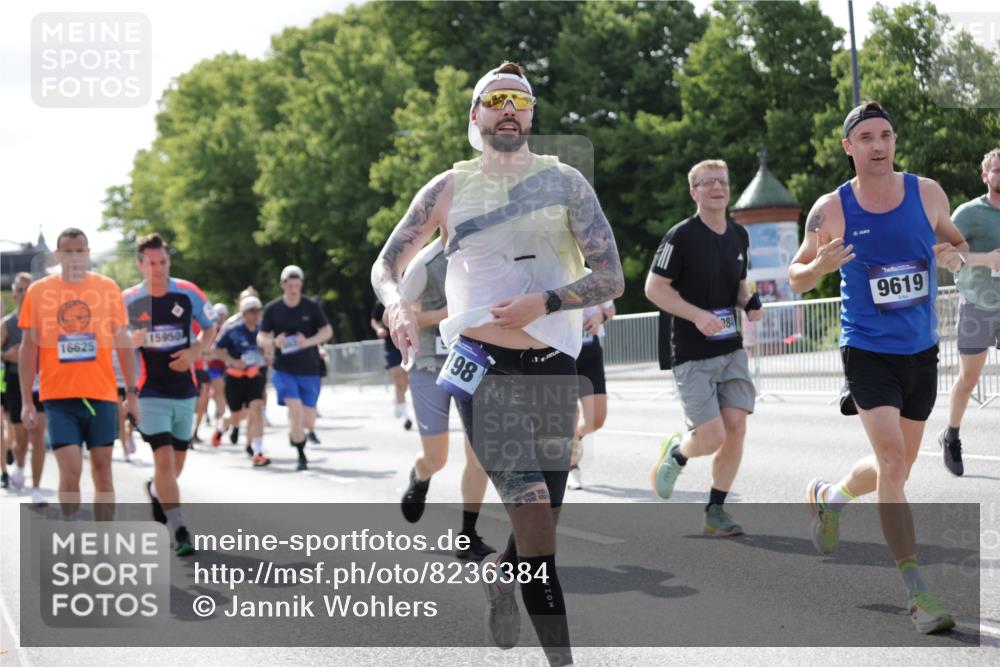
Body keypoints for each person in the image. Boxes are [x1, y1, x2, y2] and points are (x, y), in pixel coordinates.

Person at [372, 61, 624, 667]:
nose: (508, 108)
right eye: (495, 100)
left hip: (552, 367)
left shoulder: (566, 183)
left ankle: (504, 576)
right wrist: (397, 307)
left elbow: (612, 276)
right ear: (476, 116)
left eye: (519, 99)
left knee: (542, 527)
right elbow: (387, 264)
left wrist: (549, 300)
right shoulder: (446, 189)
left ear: (531, 115)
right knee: (537, 522)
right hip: (480, 369)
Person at [788, 102, 1000, 634]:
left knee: (898, 466)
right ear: (849, 147)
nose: (878, 145)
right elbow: (796, 278)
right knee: (889, 457)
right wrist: (818, 265)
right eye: (866, 137)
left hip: (920, 348)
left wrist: (954, 255)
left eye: (885, 135)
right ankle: (917, 593)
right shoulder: (830, 209)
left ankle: (830, 498)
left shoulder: (927, 193)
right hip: (866, 348)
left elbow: (954, 241)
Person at [646, 159, 763, 536]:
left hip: (730, 348)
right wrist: (696, 315)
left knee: (737, 427)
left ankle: (715, 511)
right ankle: (679, 453)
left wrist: (750, 303)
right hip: (692, 351)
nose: (717, 187)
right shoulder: (680, 236)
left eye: (723, 181)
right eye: (708, 182)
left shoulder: (739, 236)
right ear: (694, 192)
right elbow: (654, 288)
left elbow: (739, 287)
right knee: (711, 437)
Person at [18, 228, 139, 519]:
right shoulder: (39, 292)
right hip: (59, 397)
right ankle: (71, 536)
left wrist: (131, 393)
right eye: (68, 251)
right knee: (70, 473)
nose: (74, 257)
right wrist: (26, 400)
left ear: (87, 253)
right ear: (57, 255)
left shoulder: (108, 288)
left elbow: (122, 342)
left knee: (103, 472)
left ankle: (103, 544)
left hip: (101, 394)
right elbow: (28, 348)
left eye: (80, 250)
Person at [396, 238, 495, 561]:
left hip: (473, 361)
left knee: (479, 455)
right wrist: (444, 314)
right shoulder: (426, 262)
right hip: (430, 365)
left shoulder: (487, 252)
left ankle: (468, 535)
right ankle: (421, 474)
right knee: (437, 457)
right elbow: (395, 316)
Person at [124, 233, 217, 556]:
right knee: (162, 459)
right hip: (149, 390)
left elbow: (210, 326)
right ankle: (179, 529)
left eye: (162, 262)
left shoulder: (188, 292)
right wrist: (128, 342)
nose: (158, 268)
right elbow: (114, 342)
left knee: (175, 466)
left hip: (184, 390)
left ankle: (155, 489)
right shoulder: (128, 300)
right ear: (139, 264)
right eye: (151, 263)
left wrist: (196, 351)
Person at [939, 147, 1000, 475]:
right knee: (970, 378)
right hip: (978, 304)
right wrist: (985, 259)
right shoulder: (968, 213)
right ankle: (951, 435)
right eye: (998, 170)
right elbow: (943, 254)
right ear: (985, 176)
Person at [258, 265, 332, 471]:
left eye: (297, 286)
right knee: (296, 409)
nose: (293, 290)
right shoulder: (273, 309)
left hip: (309, 369)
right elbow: (261, 337)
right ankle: (301, 454)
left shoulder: (310, 306)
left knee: (308, 420)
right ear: (283, 285)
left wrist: (307, 342)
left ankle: (297, 434)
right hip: (284, 369)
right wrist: (274, 341)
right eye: (290, 286)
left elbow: (326, 331)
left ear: (301, 285)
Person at [2, 272, 48, 505]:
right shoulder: (7, 324)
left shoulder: (46, 322)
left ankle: (37, 488)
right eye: (20, 290)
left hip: (43, 384)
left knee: (37, 436)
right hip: (15, 384)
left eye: (28, 289)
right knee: (20, 438)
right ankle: (19, 465)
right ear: (14, 294)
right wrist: (6, 355)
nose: (24, 294)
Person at [568, 270, 615, 491]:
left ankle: (577, 436)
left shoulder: (593, 276)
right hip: (562, 352)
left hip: (590, 351)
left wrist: (599, 317)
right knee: (570, 414)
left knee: (596, 418)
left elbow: (610, 308)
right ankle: (571, 467)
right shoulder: (552, 273)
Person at [213, 295, 270, 466]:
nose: (255, 315)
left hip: (254, 375)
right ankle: (221, 428)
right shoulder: (232, 329)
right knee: (237, 415)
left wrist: (267, 356)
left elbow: (268, 349)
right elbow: (217, 349)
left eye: (257, 311)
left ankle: (258, 452)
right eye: (251, 311)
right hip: (234, 377)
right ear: (244, 313)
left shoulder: (262, 330)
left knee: (256, 409)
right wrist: (233, 361)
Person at [371, 299, 412, 430]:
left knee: (405, 380)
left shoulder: (409, 295)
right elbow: (374, 320)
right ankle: (406, 415)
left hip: (408, 344)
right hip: (391, 346)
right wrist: (378, 329)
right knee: (398, 377)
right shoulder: (382, 302)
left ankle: (398, 400)